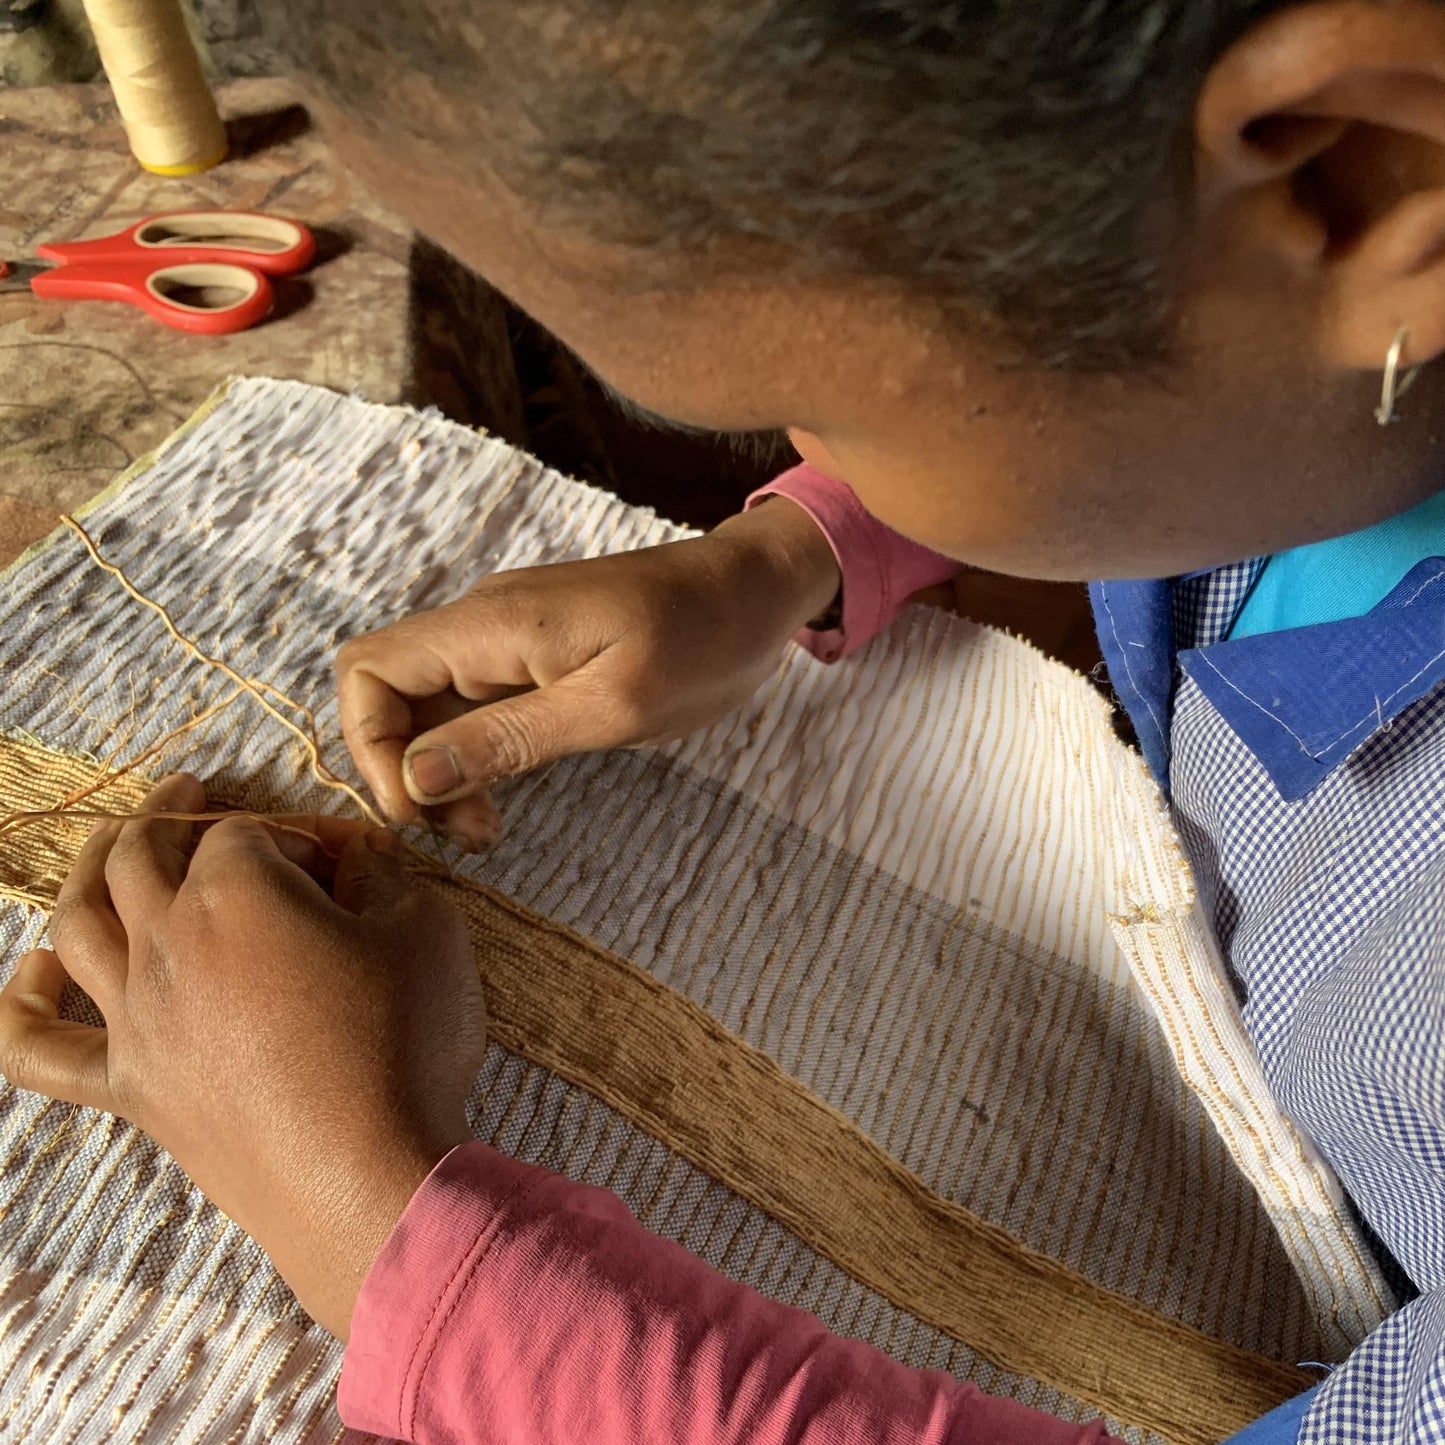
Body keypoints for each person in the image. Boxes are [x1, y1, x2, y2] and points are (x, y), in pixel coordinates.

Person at [3, 1, 1444, 1439]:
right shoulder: (1321, 364)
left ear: (1356, 176)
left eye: (807, 403)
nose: (809, 453)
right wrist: (795, 549)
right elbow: (1198, 380)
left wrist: (373, 1221)